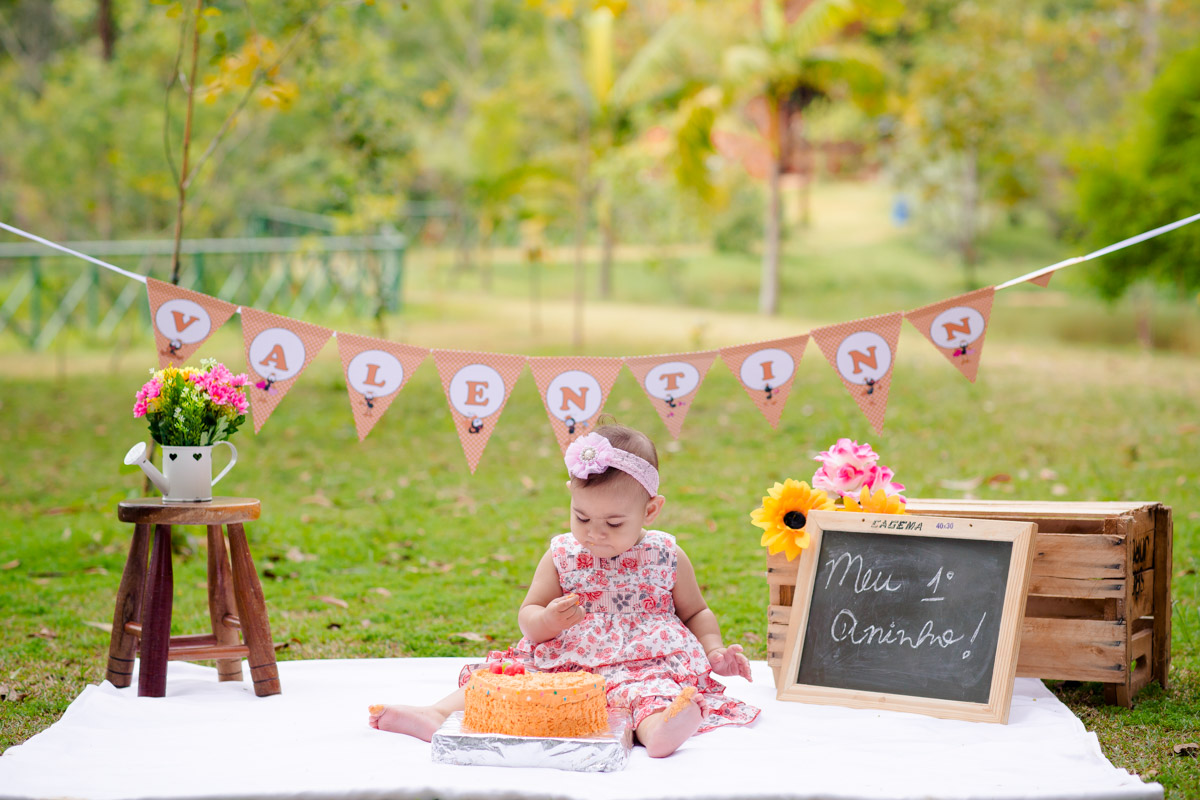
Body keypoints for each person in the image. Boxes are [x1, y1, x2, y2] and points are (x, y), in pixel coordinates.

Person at [369, 423, 759, 757]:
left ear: (650, 511)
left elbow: (695, 612)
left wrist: (713, 651)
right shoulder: (563, 556)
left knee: (649, 693)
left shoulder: (665, 554)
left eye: (613, 523)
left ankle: (660, 732)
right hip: (568, 660)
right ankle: (435, 714)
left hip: (644, 662)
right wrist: (547, 620)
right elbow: (529, 617)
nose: (594, 532)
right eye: (582, 516)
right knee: (508, 676)